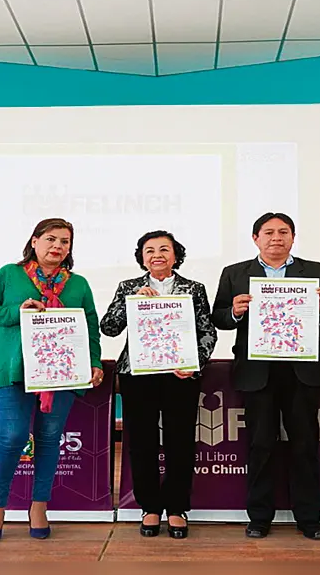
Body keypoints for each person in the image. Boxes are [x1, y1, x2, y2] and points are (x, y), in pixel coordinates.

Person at [211, 212, 320, 541]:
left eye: (284, 232)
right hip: (258, 373)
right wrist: (235, 312)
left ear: (293, 238)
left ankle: (310, 519)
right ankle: (258, 516)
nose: (276, 238)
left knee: (305, 445)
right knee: (260, 445)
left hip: (302, 371)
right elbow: (219, 318)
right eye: (268, 232)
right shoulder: (235, 273)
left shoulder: (314, 271)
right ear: (255, 238)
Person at [0, 218, 103, 543]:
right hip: (13, 371)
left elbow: (90, 326)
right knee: (12, 437)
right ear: (34, 241)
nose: (57, 246)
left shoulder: (78, 284)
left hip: (61, 373)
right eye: (51, 239)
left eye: (65, 242)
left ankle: (39, 506)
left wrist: (95, 362)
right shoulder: (9, 274)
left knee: (49, 439)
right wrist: (18, 311)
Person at [100, 230, 217, 539]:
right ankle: (149, 507)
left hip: (180, 374)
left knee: (180, 441)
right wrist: (130, 302)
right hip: (138, 375)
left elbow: (207, 332)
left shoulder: (193, 288)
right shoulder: (129, 287)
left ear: (176, 254)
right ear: (141, 257)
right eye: (149, 250)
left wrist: (193, 365)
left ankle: (177, 508)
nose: (157, 255)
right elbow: (109, 328)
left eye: (164, 249)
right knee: (141, 441)